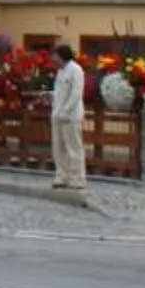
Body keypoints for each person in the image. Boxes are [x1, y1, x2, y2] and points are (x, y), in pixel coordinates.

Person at [49, 43, 88, 190]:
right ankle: (62, 175)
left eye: (54, 56)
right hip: (57, 115)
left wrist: (66, 110)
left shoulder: (76, 70)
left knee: (73, 147)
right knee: (58, 148)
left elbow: (76, 93)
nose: (53, 59)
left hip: (71, 116)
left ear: (61, 55)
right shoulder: (60, 71)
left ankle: (77, 178)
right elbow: (59, 92)